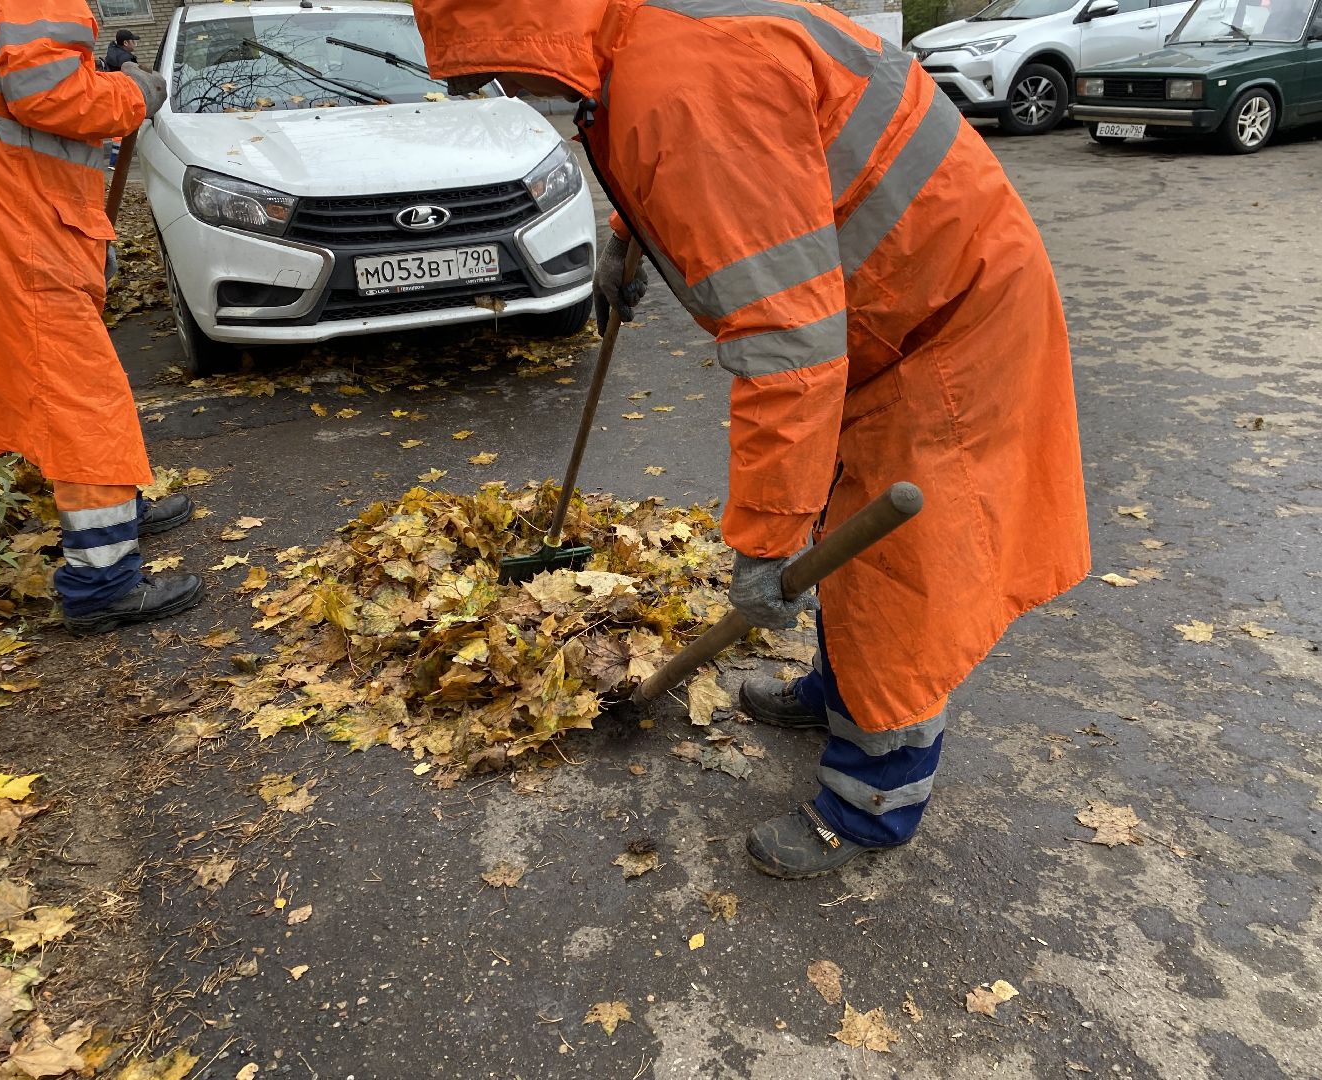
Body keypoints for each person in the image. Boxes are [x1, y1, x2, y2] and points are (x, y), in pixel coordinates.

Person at [415, 0, 1093, 879]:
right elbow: (729, 175)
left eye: (487, 67)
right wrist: (633, 241)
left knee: (896, 578)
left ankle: (870, 806)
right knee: (841, 518)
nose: (492, 86)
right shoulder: (637, 33)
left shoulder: (685, 84)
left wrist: (766, 546)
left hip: (942, 321)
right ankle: (835, 691)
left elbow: (790, 352)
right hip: (880, 307)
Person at [0, 0, 205, 634]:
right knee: (79, 392)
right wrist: (133, 90)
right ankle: (101, 580)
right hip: (10, 211)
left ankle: (120, 511)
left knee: (65, 376)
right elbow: (52, 95)